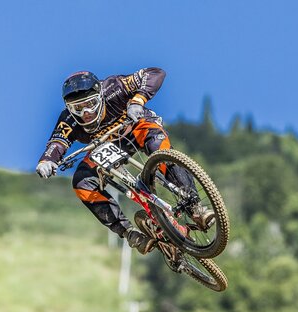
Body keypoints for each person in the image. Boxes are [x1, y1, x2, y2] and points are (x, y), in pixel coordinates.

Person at [36, 68, 197, 254]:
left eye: (90, 104)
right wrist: (46, 161)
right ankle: (129, 233)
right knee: (81, 182)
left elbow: (156, 73)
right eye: (78, 109)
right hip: (104, 147)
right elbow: (57, 143)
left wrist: (138, 100)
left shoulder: (114, 87)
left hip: (137, 127)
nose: (86, 113)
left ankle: (195, 207)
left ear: (100, 96)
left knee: (159, 149)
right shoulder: (68, 120)